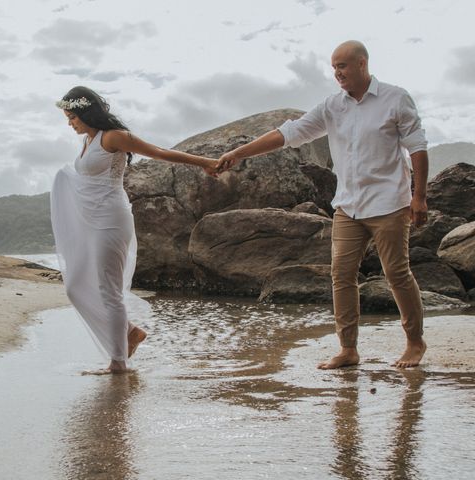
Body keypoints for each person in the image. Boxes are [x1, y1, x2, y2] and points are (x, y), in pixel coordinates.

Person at [216, 40, 429, 369]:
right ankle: (348, 350)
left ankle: (415, 343)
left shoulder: (394, 98)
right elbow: (291, 132)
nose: (337, 73)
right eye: (333, 68)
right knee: (341, 275)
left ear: (362, 64)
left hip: (389, 203)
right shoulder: (332, 106)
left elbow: (417, 146)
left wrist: (419, 197)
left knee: (396, 273)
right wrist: (239, 152)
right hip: (348, 206)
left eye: (342, 66)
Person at [51, 86, 218, 374]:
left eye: (72, 117)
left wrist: (204, 162)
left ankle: (118, 362)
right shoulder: (88, 141)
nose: (69, 123)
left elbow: (159, 152)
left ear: (85, 111)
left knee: (109, 290)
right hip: (91, 222)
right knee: (75, 286)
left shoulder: (114, 137)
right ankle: (130, 332)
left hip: (112, 220)